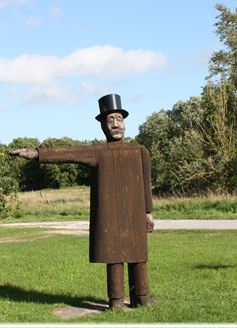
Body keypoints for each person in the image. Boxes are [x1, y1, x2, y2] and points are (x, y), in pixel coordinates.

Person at [10, 94, 155, 311]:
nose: (116, 124)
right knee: (114, 254)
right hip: (110, 214)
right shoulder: (98, 152)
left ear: (125, 123)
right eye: (110, 120)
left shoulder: (139, 150)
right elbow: (69, 153)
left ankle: (141, 296)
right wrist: (38, 153)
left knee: (138, 254)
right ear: (103, 126)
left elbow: (146, 183)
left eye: (119, 119)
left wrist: (148, 212)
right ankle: (116, 299)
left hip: (135, 212)